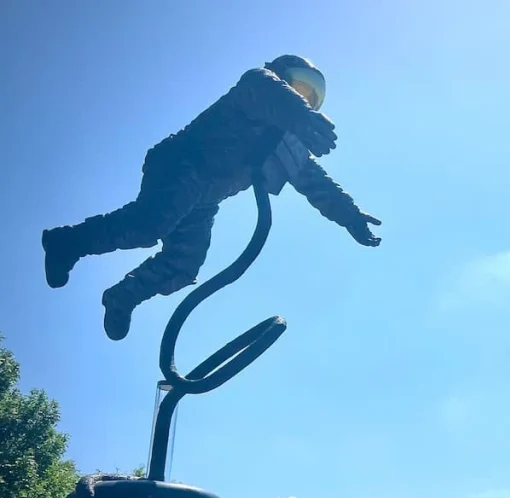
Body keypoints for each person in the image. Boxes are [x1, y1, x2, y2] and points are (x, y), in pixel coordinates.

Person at [42, 55, 381, 341]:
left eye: (310, 97)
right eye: (299, 88)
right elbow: (265, 92)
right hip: (183, 162)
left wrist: (350, 215)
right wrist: (298, 113)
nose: (302, 98)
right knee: (149, 224)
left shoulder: (286, 142)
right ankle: (66, 242)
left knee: (185, 263)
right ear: (283, 76)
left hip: (206, 199)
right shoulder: (257, 87)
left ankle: (122, 297)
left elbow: (314, 180)